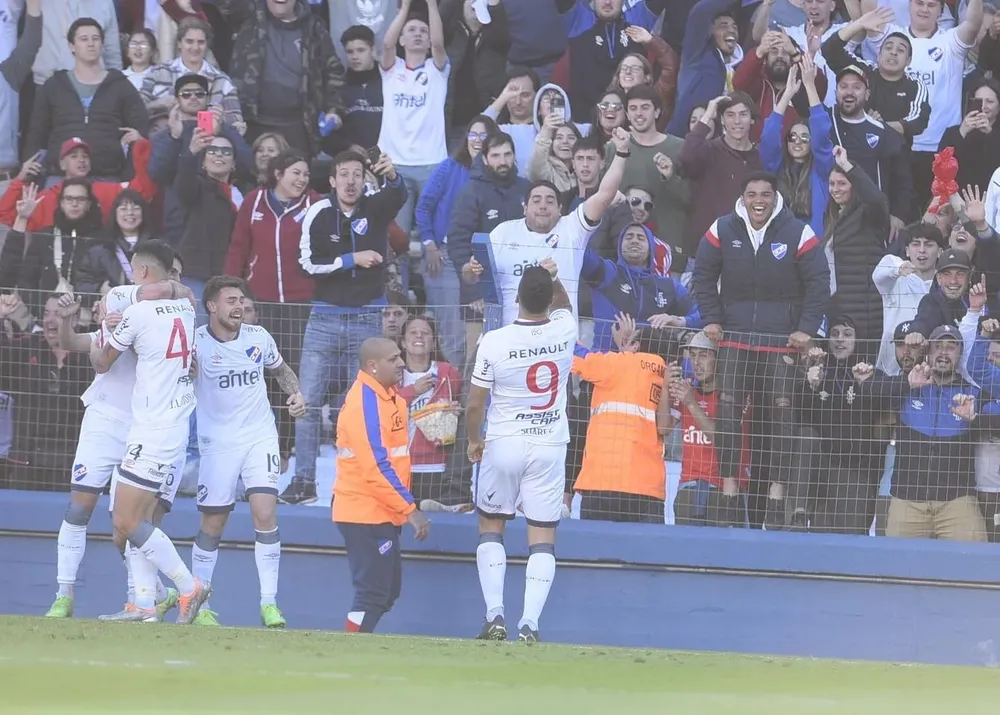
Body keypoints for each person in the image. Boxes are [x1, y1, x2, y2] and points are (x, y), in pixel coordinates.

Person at [43, 269, 194, 619]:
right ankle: (64, 593)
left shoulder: (159, 323)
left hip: (144, 429)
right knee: (79, 507)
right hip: (104, 421)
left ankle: (143, 598)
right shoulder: (111, 329)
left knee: (127, 525)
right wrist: (68, 319)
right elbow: (71, 343)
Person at [693, 172, 830, 527]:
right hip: (735, 337)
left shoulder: (798, 231)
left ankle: (776, 495)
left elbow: (819, 282)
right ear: (743, 198)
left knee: (780, 414)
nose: (759, 200)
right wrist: (711, 317)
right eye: (752, 194)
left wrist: (805, 329)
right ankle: (729, 491)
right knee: (728, 409)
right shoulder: (722, 227)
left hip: (781, 340)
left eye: (765, 194)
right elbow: (703, 274)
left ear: (775, 198)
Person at [91, 239, 210, 624]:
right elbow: (178, 293)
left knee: (124, 523)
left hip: (153, 431)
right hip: (173, 427)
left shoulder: (138, 313)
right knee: (136, 522)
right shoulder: (187, 306)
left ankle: (188, 587)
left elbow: (102, 363)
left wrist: (103, 332)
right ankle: (143, 603)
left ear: (140, 271)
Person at [282, 148, 406, 505]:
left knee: (364, 407)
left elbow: (398, 195)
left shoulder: (376, 205)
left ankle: (361, 483)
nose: (351, 181)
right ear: (332, 181)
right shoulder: (318, 213)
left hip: (368, 317)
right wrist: (351, 259)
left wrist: (393, 176)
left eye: (357, 174)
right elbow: (307, 263)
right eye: (344, 174)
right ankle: (304, 481)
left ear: (364, 179)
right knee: (306, 402)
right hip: (324, 318)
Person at [466, 260, 575, 643]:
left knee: (491, 525)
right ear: (549, 300)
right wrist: (555, 276)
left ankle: (495, 614)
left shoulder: (494, 341)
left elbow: (475, 404)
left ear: (516, 298)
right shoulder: (565, 329)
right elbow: (564, 304)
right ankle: (530, 623)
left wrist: (474, 440)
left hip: (504, 442)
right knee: (542, 536)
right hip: (548, 445)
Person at [188, 276, 306, 628]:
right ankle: (199, 602)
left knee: (265, 513)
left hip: (259, 435)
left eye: (241, 300)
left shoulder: (258, 337)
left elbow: (282, 371)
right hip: (218, 442)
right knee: (213, 523)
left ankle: (269, 603)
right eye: (231, 301)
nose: (239, 306)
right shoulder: (196, 344)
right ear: (211, 307)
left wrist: (296, 394)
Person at [467, 127, 630, 327]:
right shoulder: (503, 232)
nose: (543, 205)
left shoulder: (572, 229)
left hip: (558, 341)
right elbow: (469, 276)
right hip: (510, 338)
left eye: (550, 201)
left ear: (560, 208)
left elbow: (605, 194)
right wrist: (472, 268)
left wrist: (621, 152)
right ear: (524, 208)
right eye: (536, 200)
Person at [333, 336, 431, 633]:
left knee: (386, 593)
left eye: (399, 356)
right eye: (393, 359)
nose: (402, 363)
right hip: (363, 512)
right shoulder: (364, 404)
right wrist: (410, 509)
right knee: (374, 593)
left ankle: (355, 646)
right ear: (372, 366)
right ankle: (351, 652)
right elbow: (376, 465)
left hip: (382, 512)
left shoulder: (390, 398)